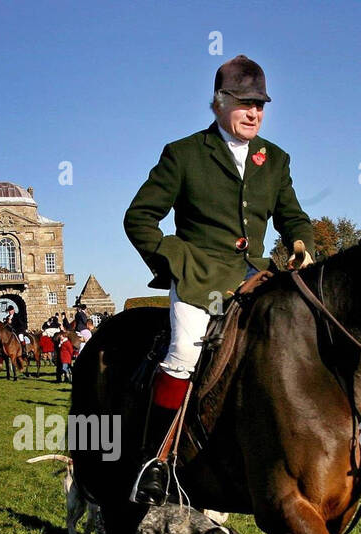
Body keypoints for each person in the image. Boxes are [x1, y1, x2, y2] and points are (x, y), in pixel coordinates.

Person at [123, 53, 314, 504]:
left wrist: (303, 245)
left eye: (261, 104)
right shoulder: (184, 153)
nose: (254, 113)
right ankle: (157, 460)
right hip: (199, 277)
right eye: (245, 102)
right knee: (184, 352)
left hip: (259, 276)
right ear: (219, 102)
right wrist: (174, 258)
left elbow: (293, 216)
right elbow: (140, 218)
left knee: (311, 338)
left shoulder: (276, 159)